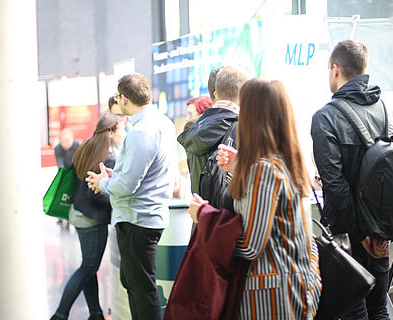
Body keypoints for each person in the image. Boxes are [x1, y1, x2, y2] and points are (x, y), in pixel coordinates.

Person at [189, 78, 321, 319]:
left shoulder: (264, 170)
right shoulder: (291, 162)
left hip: (269, 295)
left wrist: (205, 216)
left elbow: (250, 245)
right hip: (295, 285)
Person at [311, 39, 393, 319]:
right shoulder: (392, 116)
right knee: (378, 307)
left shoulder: (326, 118)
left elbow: (335, 185)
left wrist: (360, 234)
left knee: (351, 312)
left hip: (348, 239)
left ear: (335, 68)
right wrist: (377, 235)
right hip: (382, 238)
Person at [85, 73, 177, 320]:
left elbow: (127, 185)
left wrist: (102, 182)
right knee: (134, 284)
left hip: (138, 219)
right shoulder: (162, 123)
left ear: (124, 99)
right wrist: (114, 174)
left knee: (141, 290)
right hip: (145, 216)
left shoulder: (141, 132)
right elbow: (143, 172)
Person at [50, 113, 125, 320]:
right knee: (88, 267)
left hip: (78, 213)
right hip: (91, 217)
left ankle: (95, 313)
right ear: (110, 132)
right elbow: (100, 193)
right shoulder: (107, 157)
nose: (123, 134)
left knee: (89, 266)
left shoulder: (86, 147)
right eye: (120, 129)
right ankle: (60, 314)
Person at [177, 66, 247, 196]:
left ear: (216, 93)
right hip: (230, 213)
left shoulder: (193, 127)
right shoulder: (245, 127)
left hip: (201, 211)